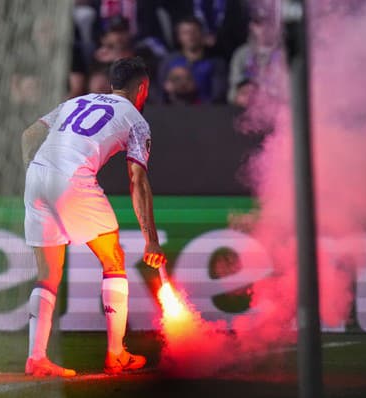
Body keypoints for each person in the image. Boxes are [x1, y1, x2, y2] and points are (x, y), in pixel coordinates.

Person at [21, 57, 167, 377]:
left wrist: (36, 174)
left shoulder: (77, 100)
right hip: (72, 178)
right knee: (113, 258)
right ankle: (116, 354)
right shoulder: (136, 119)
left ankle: (37, 357)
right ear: (142, 88)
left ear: (111, 83)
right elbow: (137, 181)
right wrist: (151, 240)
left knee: (47, 274)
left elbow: (29, 135)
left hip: (37, 176)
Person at [157, 16, 227, 103]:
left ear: (202, 34)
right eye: (185, 32)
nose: (191, 36)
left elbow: (218, 95)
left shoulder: (216, 63)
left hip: (206, 111)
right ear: (178, 37)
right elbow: (160, 93)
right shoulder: (168, 61)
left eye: (195, 31)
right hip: (172, 111)